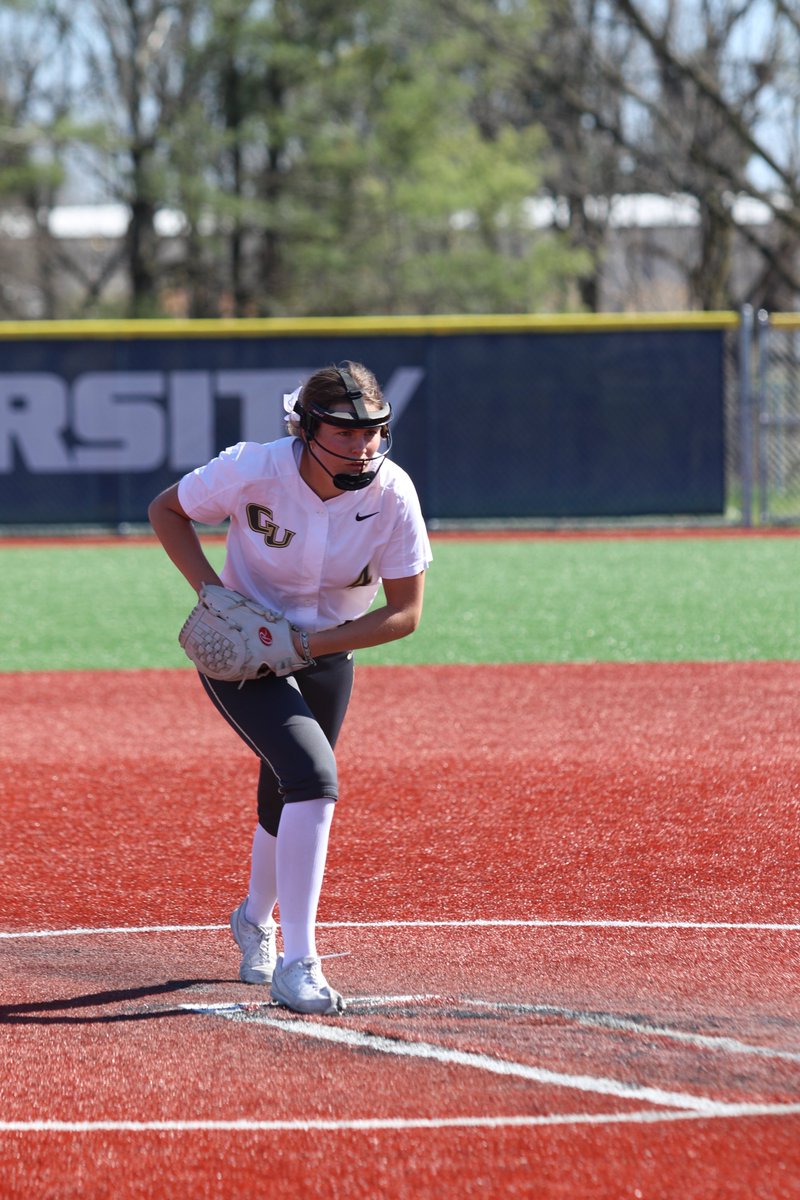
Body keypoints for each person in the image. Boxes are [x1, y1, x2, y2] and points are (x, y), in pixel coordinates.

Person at [148, 361, 431, 1015]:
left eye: (375, 433)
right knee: (312, 775)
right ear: (303, 429)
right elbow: (167, 509)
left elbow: (404, 615)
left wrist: (306, 647)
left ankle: (253, 918)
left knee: (290, 789)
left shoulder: (391, 494)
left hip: (326, 651)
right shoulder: (253, 467)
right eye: (345, 432)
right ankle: (298, 963)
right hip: (243, 654)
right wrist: (215, 597)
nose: (363, 446)